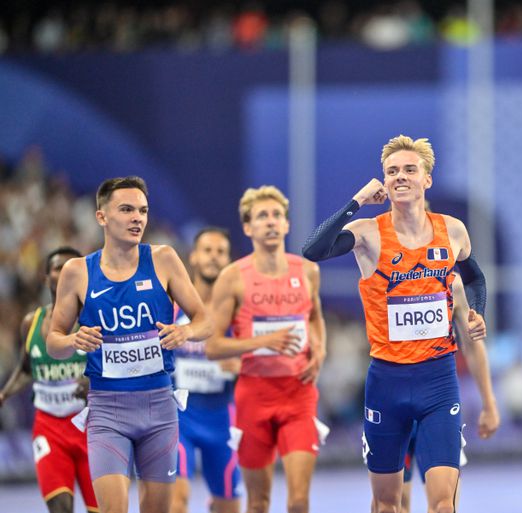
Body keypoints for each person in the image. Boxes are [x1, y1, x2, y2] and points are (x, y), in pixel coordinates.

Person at [303, 134, 489, 513]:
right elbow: (313, 250)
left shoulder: (452, 230)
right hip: (386, 383)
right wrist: (356, 202)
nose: (400, 177)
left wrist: (477, 310)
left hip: (438, 382)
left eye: (409, 169)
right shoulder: (369, 234)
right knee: (388, 504)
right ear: (383, 183)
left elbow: (475, 277)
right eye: (392, 172)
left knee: (442, 504)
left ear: (427, 179)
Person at [46, 176, 212, 513]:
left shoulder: (163, 259)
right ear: (101, 217)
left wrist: (186, 333)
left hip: (159, 410)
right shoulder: (78, 272)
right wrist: (74, 339)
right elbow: (53, 342)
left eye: (143, 211)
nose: (137, 218)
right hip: (108, 411)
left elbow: (204, 320)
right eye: (126, 209)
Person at [206, 185, 327, 513]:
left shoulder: (308, 271)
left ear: (287, 225)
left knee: (299, 502)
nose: (271, 222)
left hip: (298, 394)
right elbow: (213, 346)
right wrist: (262, 343)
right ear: (248, 228)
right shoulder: (232, 278)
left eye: (277, 215)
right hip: (253, 398)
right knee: (258, 503)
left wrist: (320, 350)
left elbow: (315, 317)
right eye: (262, 216)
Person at [0, 246, 99, 513]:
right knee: (60, 508)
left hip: (92, 428)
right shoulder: (31, 322)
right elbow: (25, 370)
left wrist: (94, 382)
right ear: (46, 279)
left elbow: (118, 365)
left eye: (71, 265)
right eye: (58, 267)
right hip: (49, 429)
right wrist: (4, 394)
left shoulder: (96, 320)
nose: (65, 270)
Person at [398, 276, 500, 513]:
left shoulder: (452, 282)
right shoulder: (382, 271)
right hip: (395, 403)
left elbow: (473, 344)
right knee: (394, 506)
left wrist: (489, 403)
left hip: (437, 404)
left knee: (445, 506)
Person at [170, 227, 241, 513]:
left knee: (229, 506)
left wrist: (241, 365)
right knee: (177, 501)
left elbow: (262, 357)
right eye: (207, 251)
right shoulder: (171, 307)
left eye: (220, 252)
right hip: (178, 418)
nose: (213, 257)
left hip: (223, 419)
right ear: (194, 258)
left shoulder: (239, 312)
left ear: (228, 261)